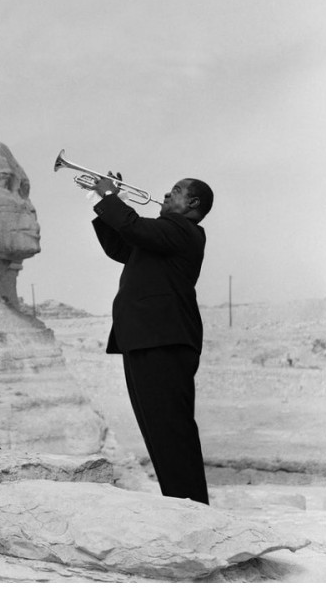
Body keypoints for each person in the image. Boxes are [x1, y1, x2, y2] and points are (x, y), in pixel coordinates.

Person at [91, 173, 214, 504]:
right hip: (144, 339)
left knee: (172, 431)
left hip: (164, 340)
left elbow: (134, 228)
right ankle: (181, 504)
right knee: (158, 432)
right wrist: (103, 201)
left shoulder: (183, 231)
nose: (165, 193)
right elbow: (120, 244)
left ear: (193, 204)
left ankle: (192, 508)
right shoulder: (162, 238)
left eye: (175, 191)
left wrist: (111, 198)